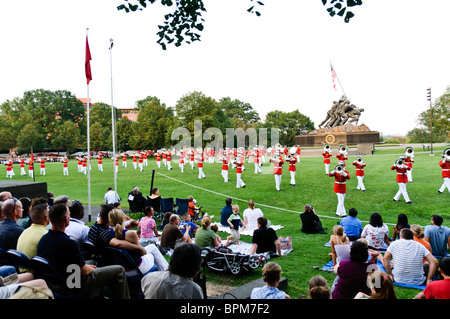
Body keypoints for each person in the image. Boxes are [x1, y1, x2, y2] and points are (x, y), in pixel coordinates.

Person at [37, 203, 131, 299]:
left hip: (55, 283)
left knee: (92, 263)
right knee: (119, 270)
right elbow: (85, 271)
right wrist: (90, 268)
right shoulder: (69, 243)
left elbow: (65, 263)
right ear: (66, 218)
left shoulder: (43, 240)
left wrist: (86, 267)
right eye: (69, 215)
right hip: (72, 285)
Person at [108, 208, 168, 275]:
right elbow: (141, 253)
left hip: (121, 267)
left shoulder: (107, 233)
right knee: (152, 252)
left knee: (152, 247)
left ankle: (165, 271)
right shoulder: (130, 234)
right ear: (123, 218)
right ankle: (166, 272)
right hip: (135, 268)